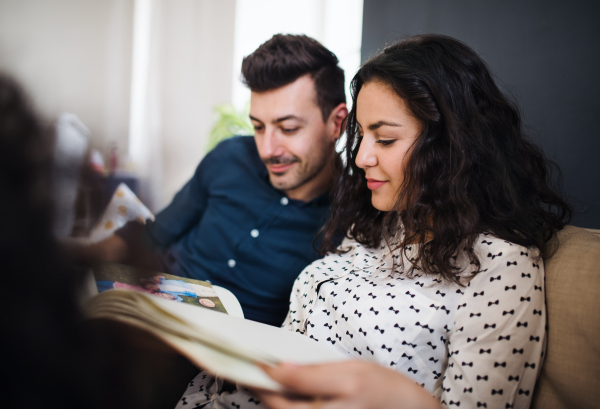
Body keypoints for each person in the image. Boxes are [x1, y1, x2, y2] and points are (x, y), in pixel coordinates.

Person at [176, 34, 572, 409]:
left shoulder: (501, 266)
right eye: (361, 135)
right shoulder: (378, 224)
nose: (362, 156)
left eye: (384, 140)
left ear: (451, 147)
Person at [76, 34, 347, 326]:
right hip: (148, 307)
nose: (268, 150)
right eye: (258, 127)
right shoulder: (230, 157)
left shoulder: (352, 217)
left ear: (337, 123)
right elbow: (154, 233)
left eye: (289, 128)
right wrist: (71, 257)